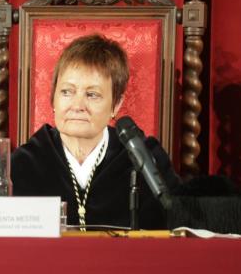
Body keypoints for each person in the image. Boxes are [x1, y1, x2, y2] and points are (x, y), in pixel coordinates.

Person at [11, 34, 179, 229]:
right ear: (53, 98)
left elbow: (180, 225)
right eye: (67, 91)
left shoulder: (144, 159)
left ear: (116, 104)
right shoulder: (23, 164)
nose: (77, 105)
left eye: (92, 95)